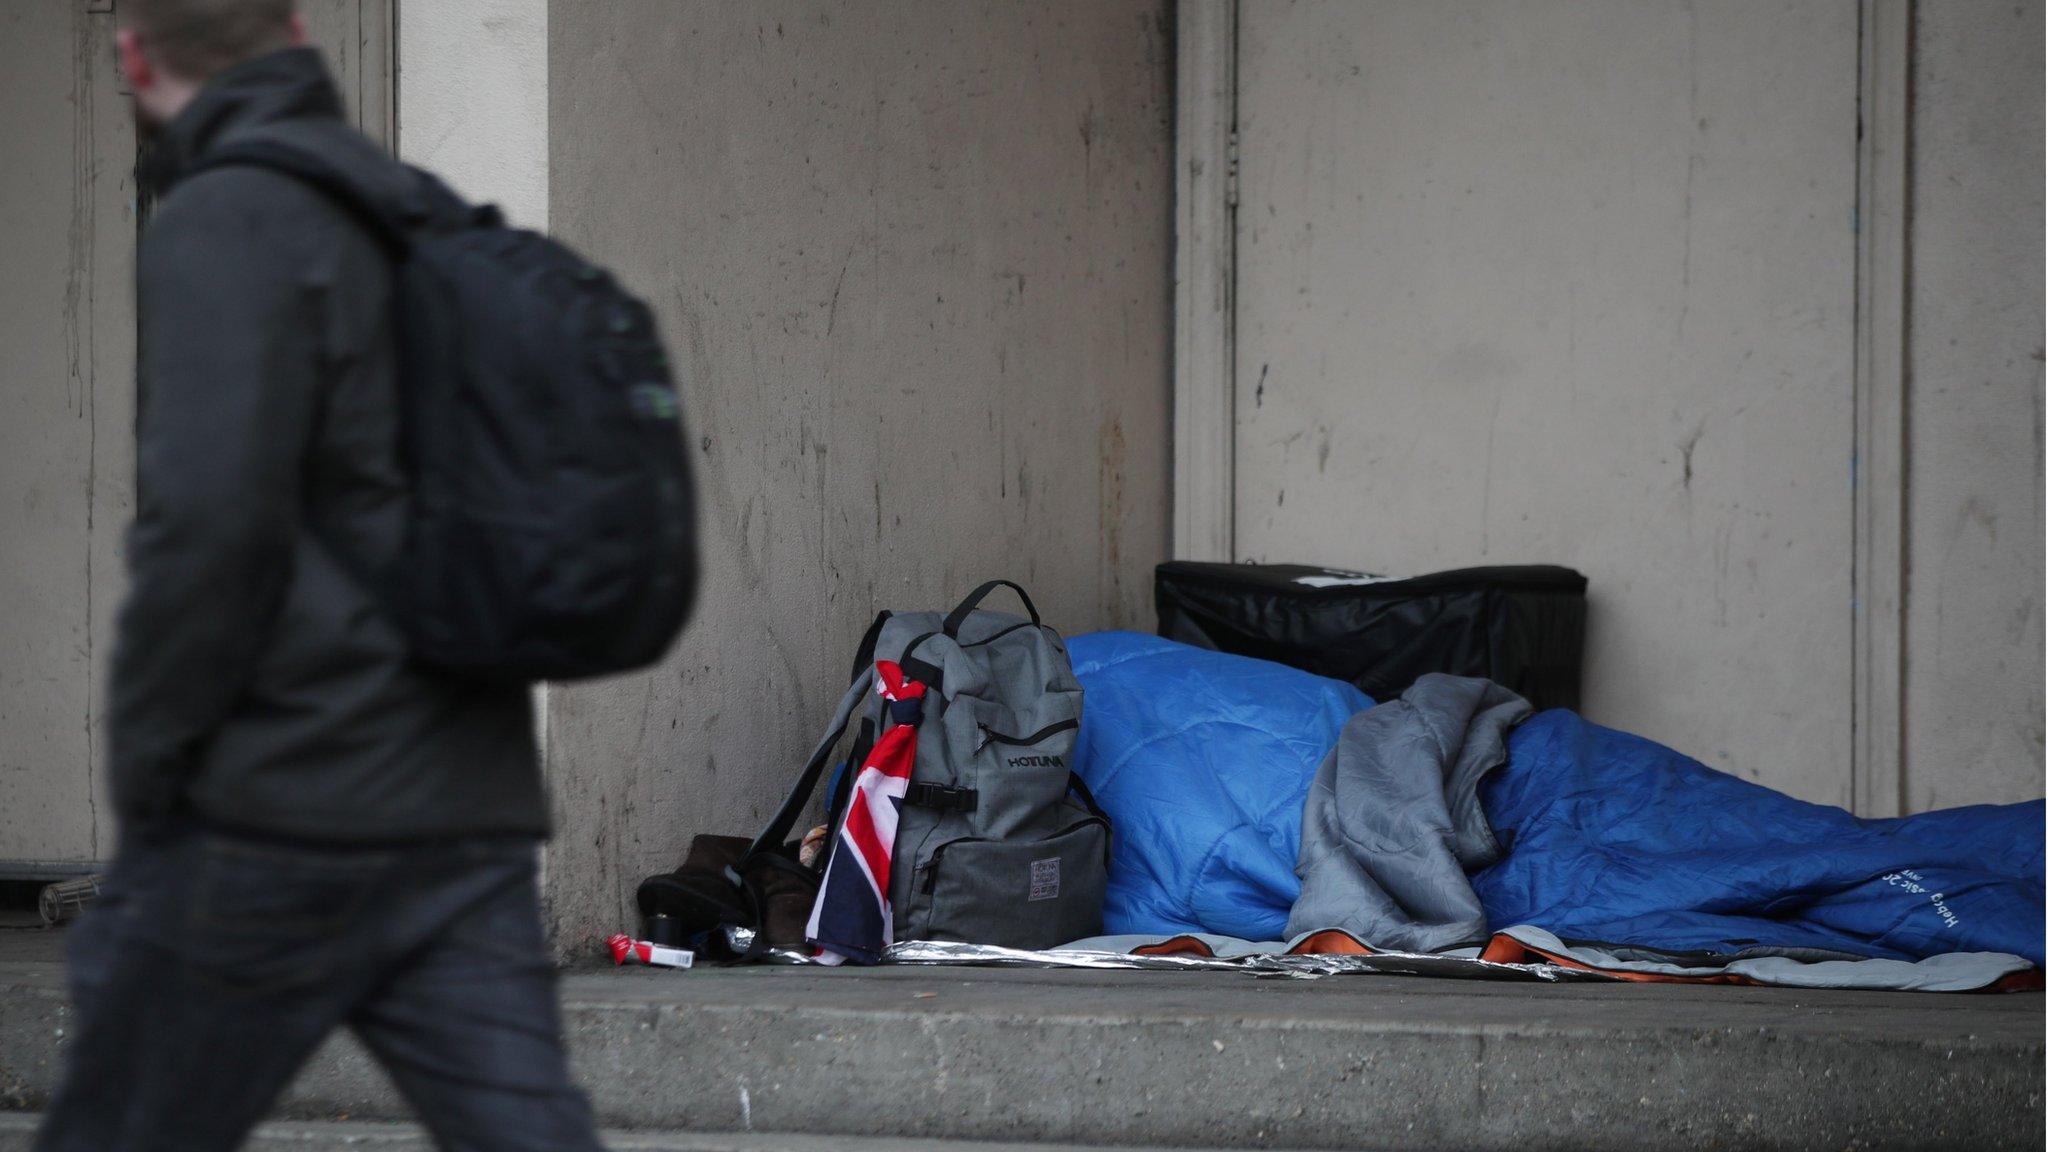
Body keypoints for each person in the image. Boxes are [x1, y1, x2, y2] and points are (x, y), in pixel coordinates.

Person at [35, 2, 606, 1149]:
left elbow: (207, 528)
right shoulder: (417, 211)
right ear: (299, 33)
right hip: (463, 801)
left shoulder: (223, 219)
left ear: (132, 57)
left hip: (280, 807)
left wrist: (152, 780)